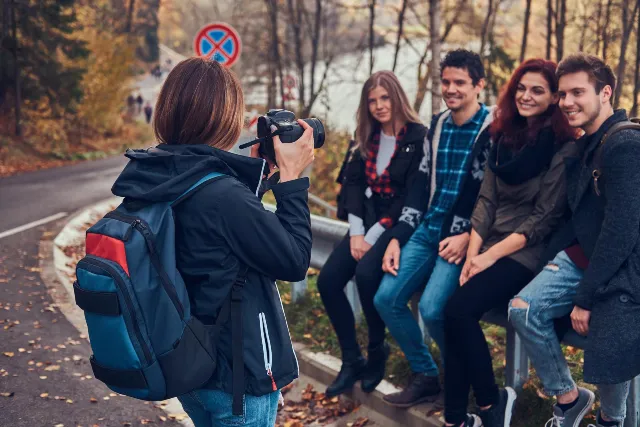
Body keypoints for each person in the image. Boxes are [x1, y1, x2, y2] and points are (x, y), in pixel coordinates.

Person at [110, 57, 315, 427]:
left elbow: (216, 240)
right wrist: (293, 179)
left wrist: (254, 182)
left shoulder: (159, 176)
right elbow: (295, 260)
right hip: (238, 376)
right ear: (225, 118)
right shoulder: (222, 196)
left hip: (191, 364)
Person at [442, 58, 579, 427]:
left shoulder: (563, 147)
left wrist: (486, 260)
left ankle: (491, 403)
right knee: (455, 314)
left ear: (554, 98)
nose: (526, 96)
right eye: (521, 88)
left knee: (457, 311)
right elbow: (486, 201)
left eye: (537, 90)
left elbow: (544, 218)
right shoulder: (501, 138)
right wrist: (473, 255)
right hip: (488, 246)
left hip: (527, 251)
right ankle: (455, 419)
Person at [509, 54, 640, 427]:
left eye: (577, 92)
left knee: (612, 333)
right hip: (587, 255)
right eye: (563, 94)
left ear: (605, 92)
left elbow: (622, 231)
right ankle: (569, 400)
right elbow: (579, 216)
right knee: (523, 309)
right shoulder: (589, 142)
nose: (566, 102)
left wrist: (585, 297)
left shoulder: (625, 145)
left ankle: (610, 420)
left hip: (623, 266)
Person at [373, 49, 494, 408]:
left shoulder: (493, 130)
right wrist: (397, 237)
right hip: (428, 228)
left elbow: (495, 197)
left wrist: (470, 236)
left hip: (463, 235)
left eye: (460, 82)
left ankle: (461, 379)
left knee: (432, 308)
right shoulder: (437, 126)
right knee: (386, 299)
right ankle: (427, 375)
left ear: (479, 85)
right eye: (446, 82)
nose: (451, 89)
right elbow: (419, 187)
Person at [317, 71, 426, 397]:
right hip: (362, 226)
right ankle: (351, 358)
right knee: (328, 281)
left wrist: (373, 234)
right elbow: (351, 185)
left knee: (366, 274)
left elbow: (411, 196)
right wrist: (356, 233)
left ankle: (378, 350)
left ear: (397, 98)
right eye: (373, 100)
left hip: (396, 226)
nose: (379, 106)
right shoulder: (364, 136)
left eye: (385, 98)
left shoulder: (419, 138)